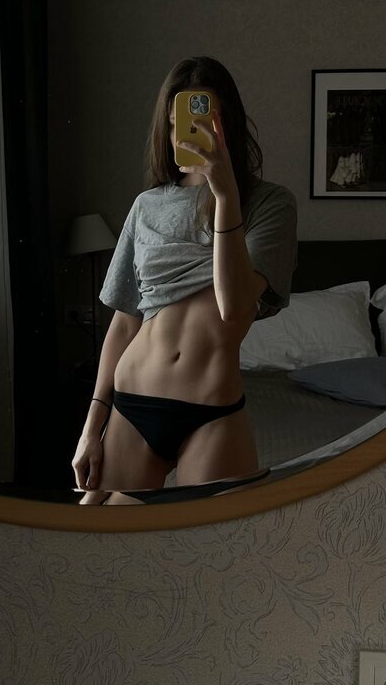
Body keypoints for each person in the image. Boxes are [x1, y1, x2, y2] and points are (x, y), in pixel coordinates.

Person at [71, 56, 298, 505]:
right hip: (133, 403)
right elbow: (124, 323)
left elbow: (234, 307)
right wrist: (91, 427)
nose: (189, 131)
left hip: (212, 412)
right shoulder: (146, 206)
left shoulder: (271, 204)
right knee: (103, 537)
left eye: (203, 117)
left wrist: (225, 195)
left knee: (211, 540)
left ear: (226, 121)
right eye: (180, 120)